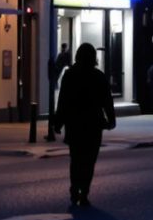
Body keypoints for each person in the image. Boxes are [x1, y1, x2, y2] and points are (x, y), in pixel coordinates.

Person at [48, 43, 117, 209]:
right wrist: (111, 119)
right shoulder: (98, 76)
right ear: (94, 58)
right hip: (93, 124)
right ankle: (84, 192)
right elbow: (107, 100)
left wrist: (58, 122)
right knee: (89, 160)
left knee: (76, 158)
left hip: (75, 124)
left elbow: (63, 100)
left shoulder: (70, 75)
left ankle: (74, 188)